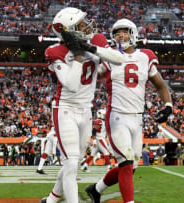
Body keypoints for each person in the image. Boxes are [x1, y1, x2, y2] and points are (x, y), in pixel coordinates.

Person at [40, 7, 124, 203]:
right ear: (69, 31)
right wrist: (78, 56)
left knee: (74, 162)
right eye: (81, 24)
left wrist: (90, 49)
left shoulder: (96, 40)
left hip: (86, 109)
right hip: (65, 109)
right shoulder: (55, 51)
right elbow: (71, 85)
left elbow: (118, 60)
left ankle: (51, 200)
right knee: (70, 163)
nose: (87, 26)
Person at [85, 18, 172, 203]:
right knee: (125, 162)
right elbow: (89, 76)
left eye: (124, 32)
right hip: (117, 116)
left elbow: (160, 85)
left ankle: (96, 189)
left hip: (137, 118)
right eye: (117, 33)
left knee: (131, 167)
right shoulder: (109, 58)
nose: (120, 36)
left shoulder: (145, 56)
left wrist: (168, 106)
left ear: (133, 33)